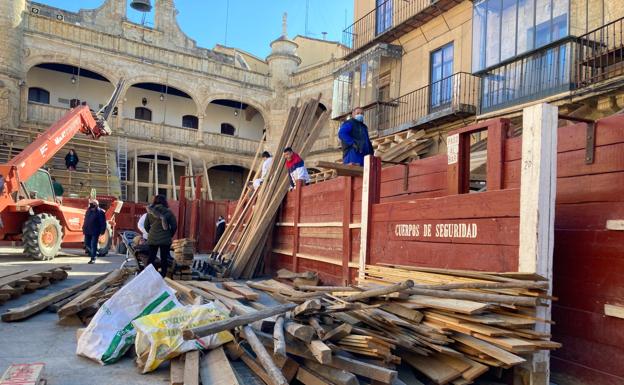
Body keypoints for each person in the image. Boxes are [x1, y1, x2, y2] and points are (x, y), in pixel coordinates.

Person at [144, 195, 177, 277]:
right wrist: (170, 235)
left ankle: (148, 274)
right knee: (164, 258)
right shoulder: (168, 212)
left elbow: (146, 226)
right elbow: (174, 226)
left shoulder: (150, 212)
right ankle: (163, 275)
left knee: (151, 257)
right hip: (165, 239)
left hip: (152, 238)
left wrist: (151, 233)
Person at [83, 199, 107, 264]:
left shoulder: (100, 212)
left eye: (92, 204)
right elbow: (86, 220)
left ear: (96, 205)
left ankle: (93, 258)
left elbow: (103, 222)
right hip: (87, 230)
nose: (91, 205)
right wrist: (83, 228)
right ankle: (95, 252)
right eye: (90, 203)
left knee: (93, 244)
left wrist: (102, 230)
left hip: (95, 231)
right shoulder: (88, 211)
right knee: (87, 243)